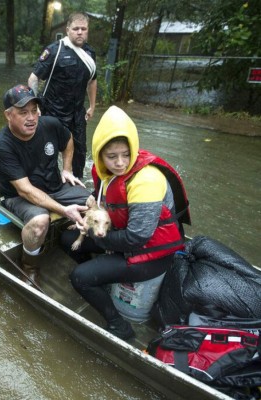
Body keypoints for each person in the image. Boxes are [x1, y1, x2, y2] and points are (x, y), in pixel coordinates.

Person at [60, 105, 190, 340]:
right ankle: (104, 278)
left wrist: (93, 234)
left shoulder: (146, 181)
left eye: (126, 154)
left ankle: (119, 324)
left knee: (79, 277)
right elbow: (106, 198)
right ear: (99, 155)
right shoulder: (105, 172)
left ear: (134, 149)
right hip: (120, 239)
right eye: (111, 157)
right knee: (66, 238)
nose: (120, 163)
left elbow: (137, 238)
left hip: (151, 255)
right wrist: (91, 202)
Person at [0, 84, 91, 286]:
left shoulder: (50, 125)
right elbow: (25, 190)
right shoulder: (2, 144)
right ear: (8, 115)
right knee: (40, 223)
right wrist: (64, 210)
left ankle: (83, 248)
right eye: (23, 113)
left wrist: (67, 169)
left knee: (93, 201)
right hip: (18, 196)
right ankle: (29, 268)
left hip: (54, 186)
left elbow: (69, 139)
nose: (31, 118)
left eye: (34, 111)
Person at [28, 12, 97, 180]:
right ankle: (47, 182)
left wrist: (93, 106)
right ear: (68, 30)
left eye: (83, 29)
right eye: (76, 29)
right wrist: (35, 106)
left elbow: (92, 80)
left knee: (80, 151)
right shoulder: (54, 50)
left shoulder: (90, 53)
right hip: (53, 111)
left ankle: (76, 182)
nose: (80, 32)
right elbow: (33, 78)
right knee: (48, 150)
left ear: (87, 31)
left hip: (76, 112)